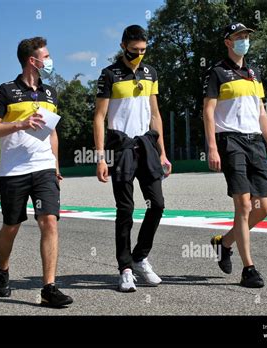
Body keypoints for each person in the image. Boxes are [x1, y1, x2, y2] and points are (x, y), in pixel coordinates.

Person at [0, 37, 73, 308]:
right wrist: (19, 124)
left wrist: (55, 165)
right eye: (46, 56)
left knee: (50, 222)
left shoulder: (51, 92)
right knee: (11, 226)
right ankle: (2, 269)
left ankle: (49, 287)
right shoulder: (6, 90)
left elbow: (52, 132)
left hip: (44, 168)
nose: (50, 60)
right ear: (33, 61)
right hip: (14, 171)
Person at [203, 23, 267, 288]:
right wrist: (212, 147)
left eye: (246, 36)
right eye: (239, 37)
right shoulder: (216, 72)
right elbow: (209, 111)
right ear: (228, 42)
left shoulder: (254, 72)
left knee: (264, 208)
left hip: (256, 142)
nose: (244, 40)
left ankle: (224, 243)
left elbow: (261, 111)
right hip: (230, 141)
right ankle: (249, 269)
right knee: (244, 206)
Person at [93, 25, 171, 292]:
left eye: (143, 50)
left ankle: (140, 257)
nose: (139, 55)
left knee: (157, 204)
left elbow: (156, 114)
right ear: (123, 45)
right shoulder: (109, 75)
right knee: (125, 210)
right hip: (121, 148)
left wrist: (163, 152)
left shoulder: (151, 73)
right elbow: (99, 118)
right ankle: (125, 268)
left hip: (147, 146)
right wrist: (101, 157)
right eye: (135, 50)